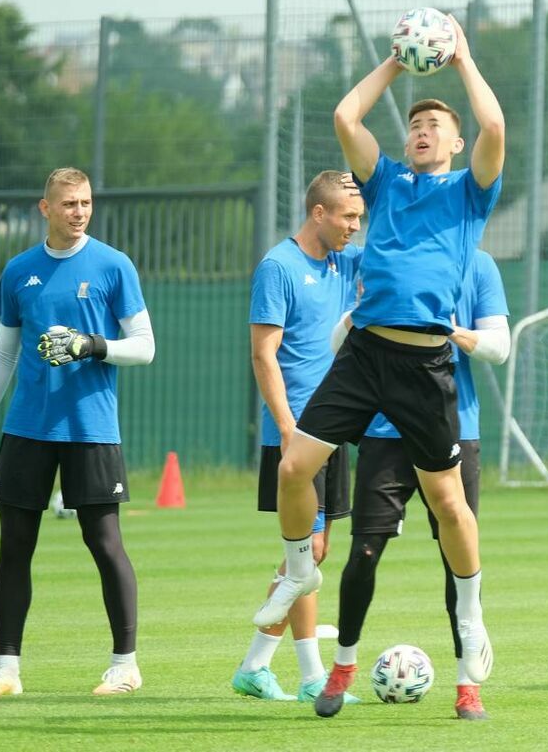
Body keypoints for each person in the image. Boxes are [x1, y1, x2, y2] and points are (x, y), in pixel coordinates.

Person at [251, 13, 506, 718]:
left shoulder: (468, 193)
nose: (424, 129)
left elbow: (495, 129)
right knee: (294, 466)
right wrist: (397, 62)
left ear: (455, 143)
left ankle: (473, 614)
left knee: (451, 505)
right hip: (366, 352)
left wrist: (460, 59)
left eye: (436, 125)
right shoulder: (386, 179)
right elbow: (344, 113)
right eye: (416, 123)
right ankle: (300, 569)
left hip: (427, 367)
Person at [0, 167, 155, 697]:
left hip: (91, 428)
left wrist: (95, 345)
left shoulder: (114, 266)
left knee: (105, 542)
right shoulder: (19, 270)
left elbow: (144, 344)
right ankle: (6, 670)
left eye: (86, 202)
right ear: (44, 208)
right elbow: (5, 351)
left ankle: (124, 664)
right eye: (68, 203)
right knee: (15, 546)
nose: (79, 211)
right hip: (27, 428)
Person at [326, 249, 509, 720]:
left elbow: (499, 348)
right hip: (384, 434)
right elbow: (336, 346)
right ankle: (342, 666)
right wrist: (360, 314)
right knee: (364, 552)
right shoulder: (382, 261)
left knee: (457, 556)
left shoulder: (479, 266)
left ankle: (468, 686)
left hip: (454, 431)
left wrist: (446, 328)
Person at [231, 170, 364, 704]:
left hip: (333, 431)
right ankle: (311, 676)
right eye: (347, 217)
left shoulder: (344, 259)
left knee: (315, 552)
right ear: (318, 213)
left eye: (359, 217)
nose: (355, 227)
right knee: (306, 552)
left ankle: (255, 667)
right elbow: (264, 355)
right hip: (296, 434)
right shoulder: (278, 267)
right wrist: (287, 430)